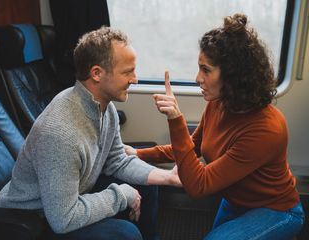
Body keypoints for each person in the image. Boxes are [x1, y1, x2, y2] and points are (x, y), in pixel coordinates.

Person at [124, 14, 305, 239]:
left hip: (276, 210)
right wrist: (138, 154)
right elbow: (191, 146)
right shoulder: (219, 103)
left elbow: (199, 185)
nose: (197, 78)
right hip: (236, 202)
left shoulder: (267, 129)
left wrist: (176, 120)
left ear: (232, 76)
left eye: (206, 70)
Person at [0, 26, 181, 240]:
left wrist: (168, 177)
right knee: (125, 234)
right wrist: (121, 195)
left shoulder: (105, 107)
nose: (135, 79)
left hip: (68, 199)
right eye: (127, 72)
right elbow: (63, 218)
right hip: (34, 219)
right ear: (97, 74)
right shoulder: (60, 133)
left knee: (147, 184)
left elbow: (117, 160)